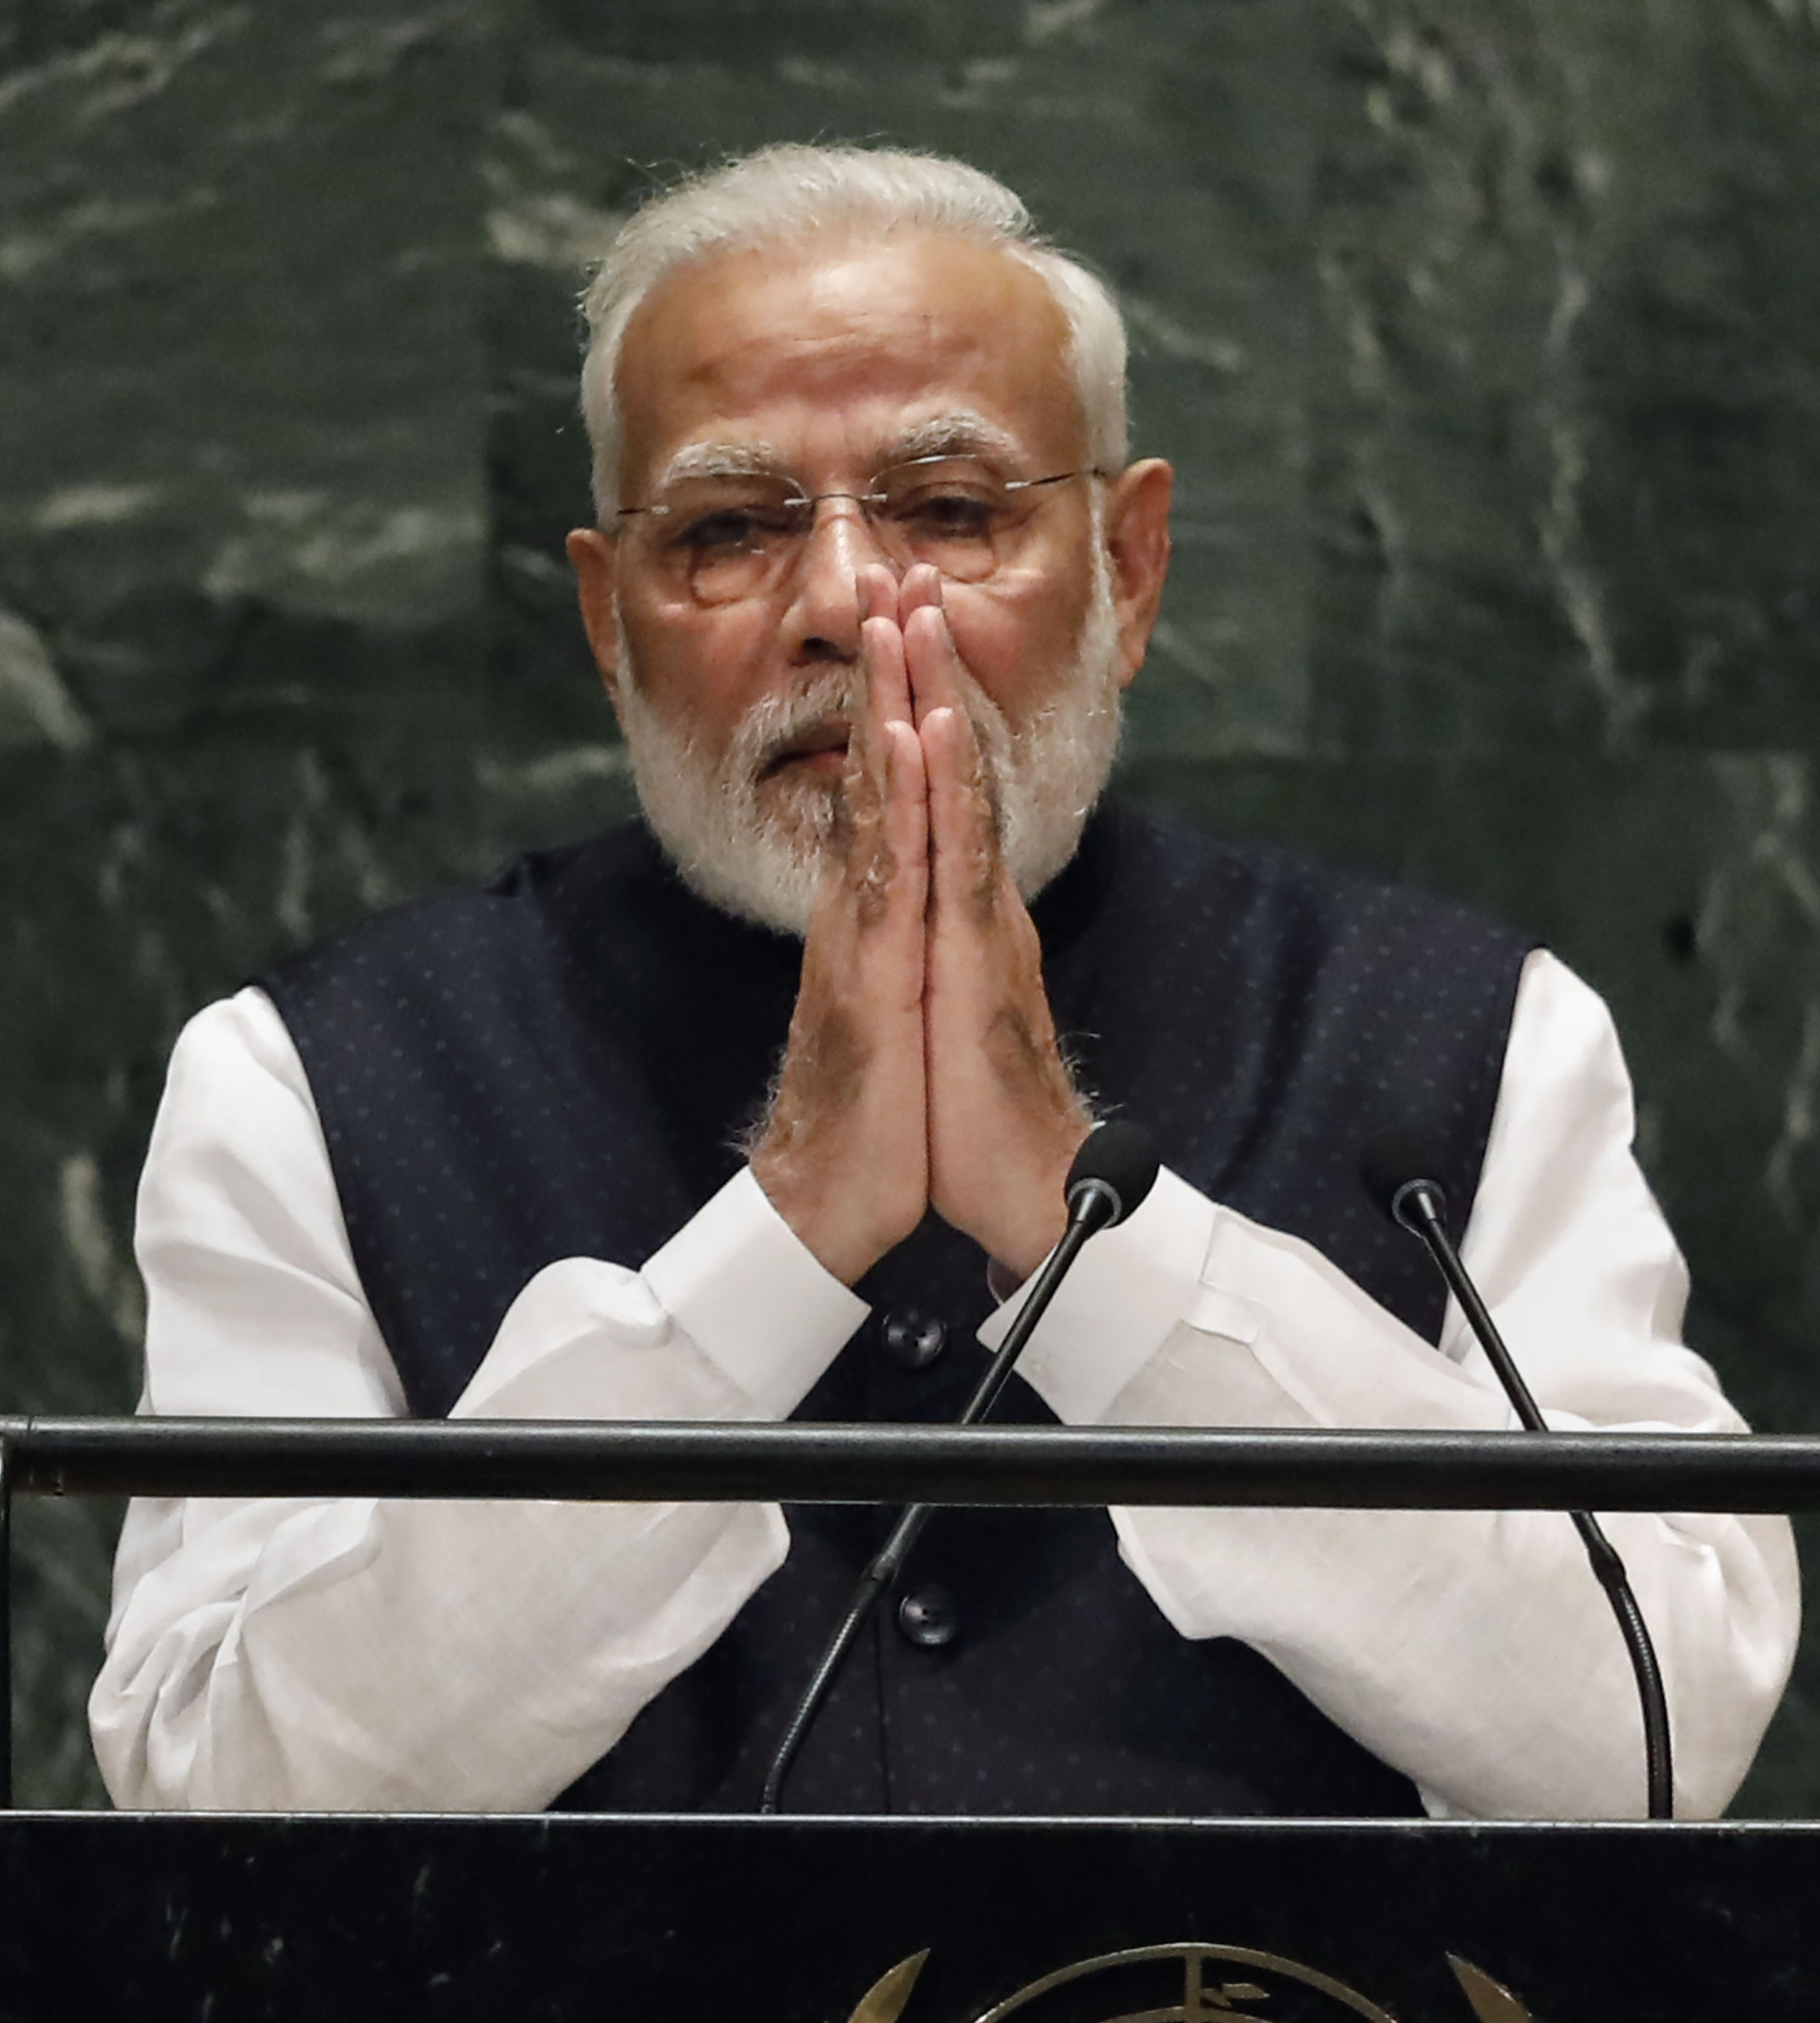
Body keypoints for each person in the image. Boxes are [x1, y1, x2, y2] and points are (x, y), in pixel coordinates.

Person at [90, 145, 1796, 1820]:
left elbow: (1651, 1747)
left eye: (951, 511)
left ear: (1129, 573)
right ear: (609, 627)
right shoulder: (311, 1082)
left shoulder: (1471, 1038)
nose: (844, 601)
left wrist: (1098, 1247)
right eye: (733, 528)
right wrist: (776, 1244)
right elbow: (216, 1796)